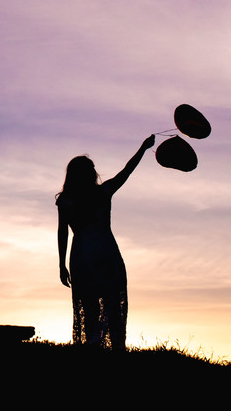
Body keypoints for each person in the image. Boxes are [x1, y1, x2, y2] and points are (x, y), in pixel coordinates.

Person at [56, 134, 155, 350]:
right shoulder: (103, 192)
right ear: (90, 174)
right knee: (111, 303)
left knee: (90, 305)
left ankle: (92, 347)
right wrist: (144, 148)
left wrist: (61, 264)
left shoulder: (66, 200)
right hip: (106, 253)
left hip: (81, 255)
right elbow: (126, 171)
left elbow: (62, 232)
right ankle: (115, 347)